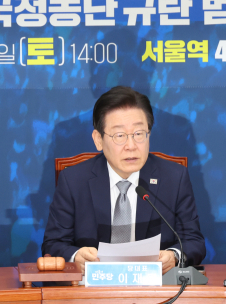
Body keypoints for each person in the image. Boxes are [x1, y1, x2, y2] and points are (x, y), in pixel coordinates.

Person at [42, 86, 205, 274]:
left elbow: (194, 241)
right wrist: (76, 256)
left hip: (155, 286)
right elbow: (52, 244)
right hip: (94, 286)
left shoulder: (174, 178)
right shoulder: (73, 181)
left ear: (149, 134)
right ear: (98, 140)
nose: (131, 146)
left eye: (139, 134)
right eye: (120, 136)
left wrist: (174, 256)